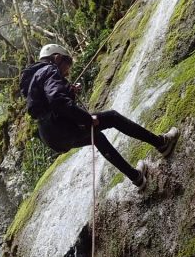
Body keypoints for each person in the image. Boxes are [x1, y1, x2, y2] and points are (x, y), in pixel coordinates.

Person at [20, 44, 179, 190]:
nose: (66, 73)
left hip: (50, 136)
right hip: (60, 126)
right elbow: (57, 100)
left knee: (97, 138)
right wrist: (87, 119)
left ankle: (136, 177)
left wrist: (69, 92)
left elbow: (48, 103)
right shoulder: (49, 70)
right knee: (113, 117)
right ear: (57, 58)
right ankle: (161, 143)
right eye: (65, 69)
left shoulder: (34, 78)